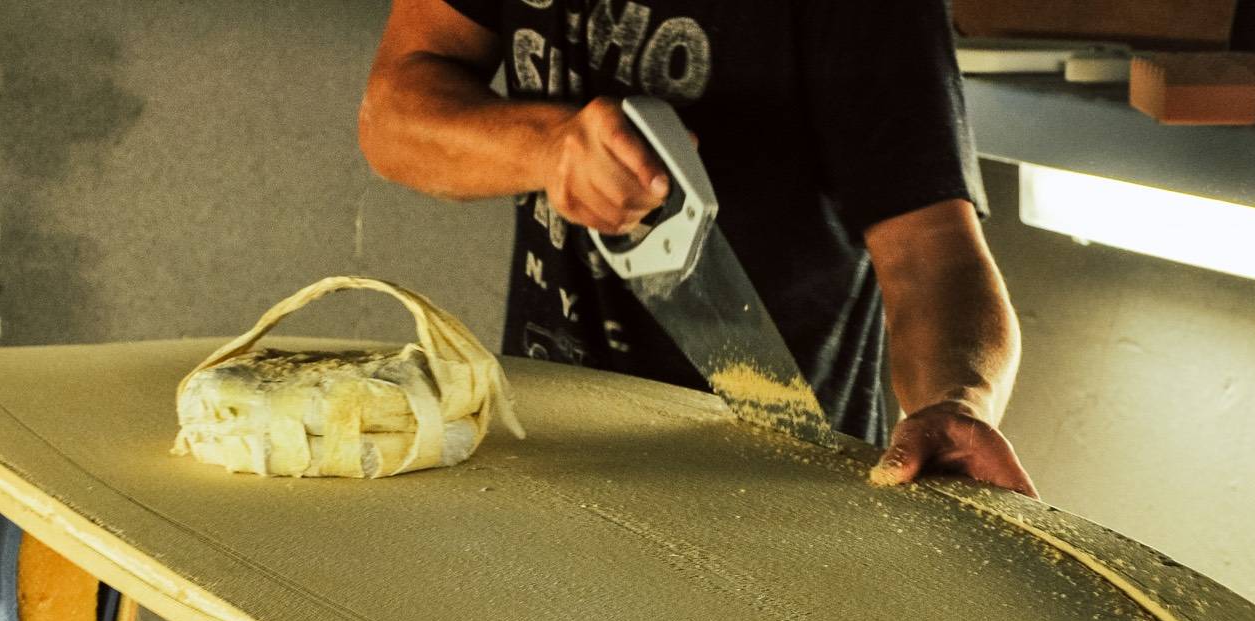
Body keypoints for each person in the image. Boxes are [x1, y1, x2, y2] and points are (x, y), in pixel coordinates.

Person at [360, 0, 1037, 496]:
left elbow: (932, 253)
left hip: (781, 496)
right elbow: (392, 114)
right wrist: (547, 145)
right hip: (540, 467)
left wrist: (956, 402)